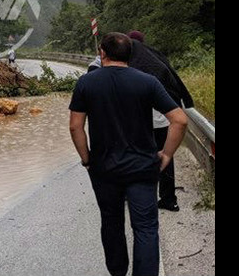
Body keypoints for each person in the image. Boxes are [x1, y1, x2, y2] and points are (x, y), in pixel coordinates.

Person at [69, 32, 188, 276]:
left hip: (104, 169)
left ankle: (117, 272)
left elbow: (75, 126)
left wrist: (87, 159)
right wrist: (165, 155)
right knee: (145, 227)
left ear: (102, 53)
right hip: (143, 167)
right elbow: (179, 120)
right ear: (130, 54)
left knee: (111, 223)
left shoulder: (86, 83)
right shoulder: (147, 81)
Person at [126, 30, 195, 212]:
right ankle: (168, 199)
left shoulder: (129, 61)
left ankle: (137, 197)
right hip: (164, 119)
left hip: (142, 121)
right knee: (166, 156)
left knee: (138, 156)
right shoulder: (156, 58)